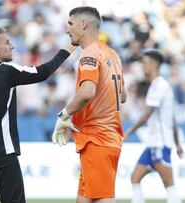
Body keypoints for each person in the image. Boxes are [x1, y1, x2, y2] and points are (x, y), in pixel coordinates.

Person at [0, 27, 75, 203]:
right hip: (2, 153)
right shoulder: (6, 72)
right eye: (7, 42)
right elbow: (42, 72)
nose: (12, 46)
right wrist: (67, 50)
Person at [51, 6, 127, 203]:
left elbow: (87, 92)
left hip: (97, 138)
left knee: (103, 199)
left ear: (83, 24)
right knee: (84, 199)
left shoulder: (89, 54)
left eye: (70, 23)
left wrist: (63, 115)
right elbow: (123, 95)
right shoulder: (112, 55)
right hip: (107, 137)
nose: (67, 29)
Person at [124, 49, 184, 203]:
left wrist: (128, 132)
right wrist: (178, 143)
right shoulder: (159, 85)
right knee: (135, 178)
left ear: (152, 64)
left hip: (160, 143)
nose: (142, 67)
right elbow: (172, 119)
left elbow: (147, 114)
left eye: (144, 63)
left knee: (169, 184)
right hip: (153, 144)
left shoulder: (159, 86)